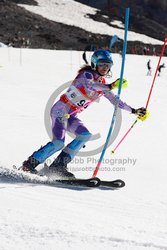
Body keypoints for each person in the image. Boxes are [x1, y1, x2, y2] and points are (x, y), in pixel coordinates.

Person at [20, 49, 147, 178]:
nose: (105, 68)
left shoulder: (102, 84)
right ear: (94, 63)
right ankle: (29, 164)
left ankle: (58, 166)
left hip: (70, 116)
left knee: (84, 135)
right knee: (58, 143)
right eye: (102, 64)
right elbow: (89, 86)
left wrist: (134, 110)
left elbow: (114, 100)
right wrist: (111, 85)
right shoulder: (86, 75)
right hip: (60, 111)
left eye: (108, 65)